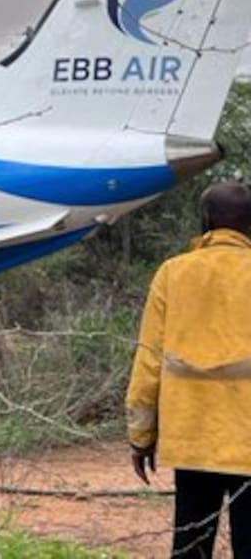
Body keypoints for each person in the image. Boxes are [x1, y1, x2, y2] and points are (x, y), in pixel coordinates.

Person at [126, 181, 251, 558]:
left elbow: (148, 361)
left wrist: (141, 435)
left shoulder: (172, 273)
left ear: (206, 220)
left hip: (192, 436)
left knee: (191, 548)